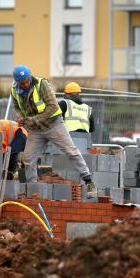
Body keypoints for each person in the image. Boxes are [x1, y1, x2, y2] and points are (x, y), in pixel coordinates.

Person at [11, 65, 96, 196]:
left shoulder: (41, 85)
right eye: (23, 83)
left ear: (30, 76)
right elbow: (16, 107)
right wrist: (20, 116)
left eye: (27, 80)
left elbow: (52, 106)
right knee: (28, 159)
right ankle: (33, 191)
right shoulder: (14, 90)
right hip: (36, 130)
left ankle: (89, 181)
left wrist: (33, 120)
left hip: (53, 124)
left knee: (71, 151)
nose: (26, 84)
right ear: (17, 82)